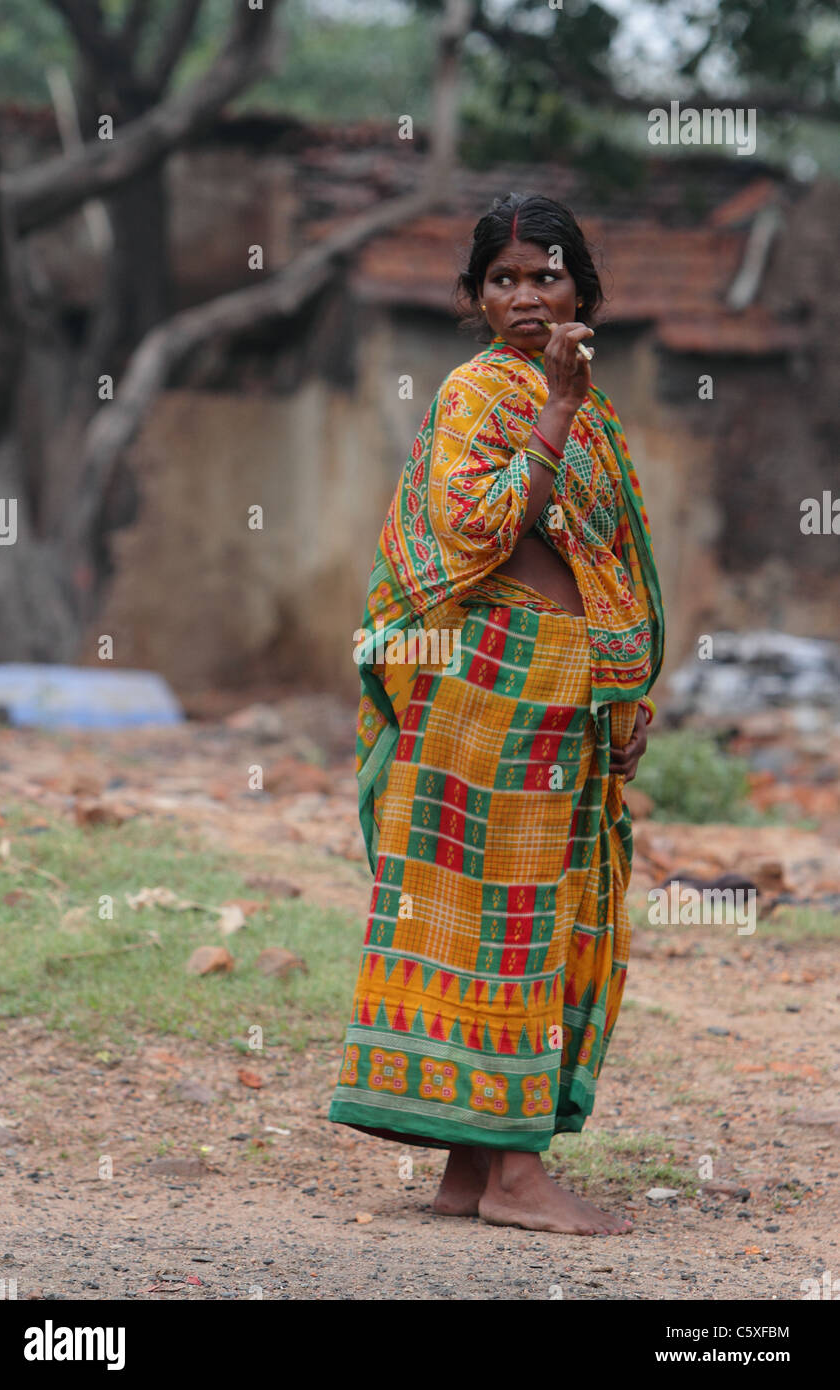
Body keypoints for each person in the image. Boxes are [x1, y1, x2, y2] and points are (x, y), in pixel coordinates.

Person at [329, 192, 664, 1235]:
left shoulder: (599, 418)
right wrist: (553, 412)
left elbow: (604, 560)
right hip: (489, 686)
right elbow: (473, 529)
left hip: (564, 685)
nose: (525, 295)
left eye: (546, 274)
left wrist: (623, 681)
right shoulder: (479, 393)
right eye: (503, 279)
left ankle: (473, 1174)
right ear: (474, 298)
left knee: (524, 916)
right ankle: (513, 1178)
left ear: (583, 290)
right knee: (508, 920)